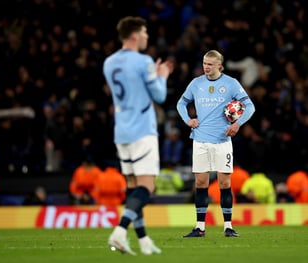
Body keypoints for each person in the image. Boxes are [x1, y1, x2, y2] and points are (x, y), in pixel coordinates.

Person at [103, 16, 173, 255]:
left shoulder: (109, 63)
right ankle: (119, 232)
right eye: (144, 33)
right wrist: (161, 74)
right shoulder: (144, 62)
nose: (147, 37)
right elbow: (160, 96)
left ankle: (143, 241)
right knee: (147, 187)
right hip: (142, 131)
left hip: (121, 132)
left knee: (133, 188)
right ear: (134, 36)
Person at [176, 50, 255, 238]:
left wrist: (237, 124)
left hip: (222, 141)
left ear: (220, 66)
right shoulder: (196, 84)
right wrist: (188, 119)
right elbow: (181, 103)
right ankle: (200, 228)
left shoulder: (231, 84)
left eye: (210, 64)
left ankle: (228, 226)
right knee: (200, 183)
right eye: (204, 63)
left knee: (224, 183)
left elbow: (249, 106)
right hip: (200, 139)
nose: (206, 67)